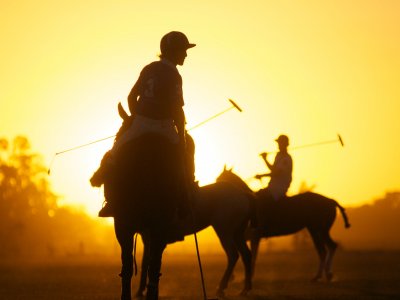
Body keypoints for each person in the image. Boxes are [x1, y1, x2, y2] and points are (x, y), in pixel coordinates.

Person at [91, 31, 196, 217]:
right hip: (164, 128)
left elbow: (132, 97)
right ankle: (185, 200)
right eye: (183, 50)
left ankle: (108, 196)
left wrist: (135, 118)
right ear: (172, 51)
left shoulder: (149, 68)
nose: (186, 55)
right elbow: (177, 110)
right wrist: (181, 137)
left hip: (139, 124)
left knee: (115, 151)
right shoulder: (175, 75)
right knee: (184, 157)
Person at [255, 134, 293, 201]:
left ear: (285, 144)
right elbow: (273, 170)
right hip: (272, 188)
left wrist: (262, 175)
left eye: (280, 143)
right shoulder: (278, 155)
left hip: (278, 190)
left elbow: (276, 173)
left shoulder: (286, 159)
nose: (279, 145)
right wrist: (265, 159)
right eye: (278, 143)